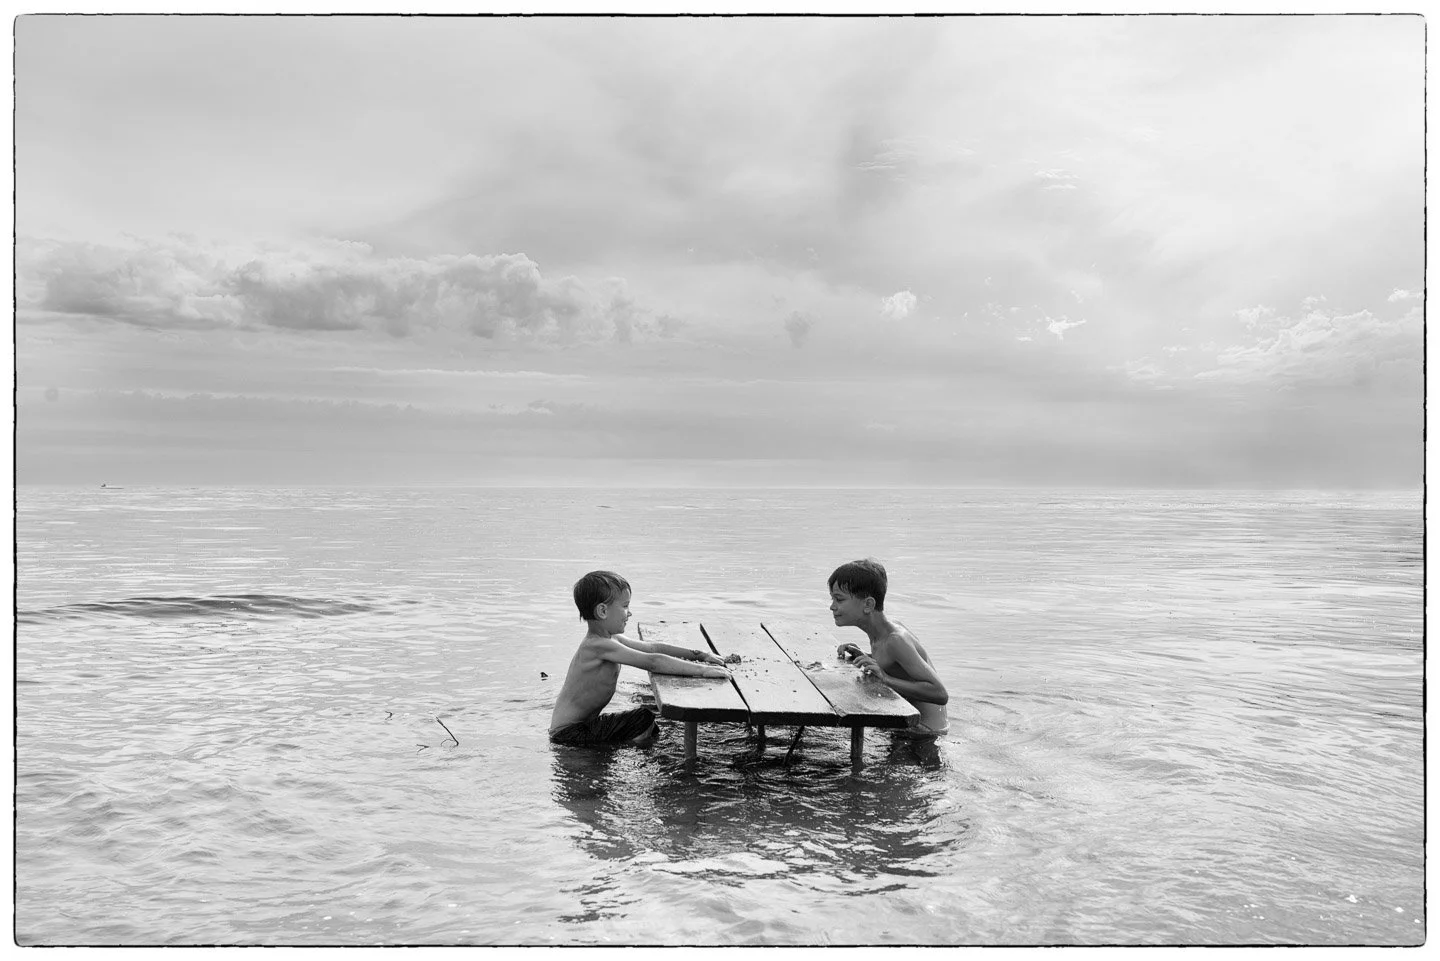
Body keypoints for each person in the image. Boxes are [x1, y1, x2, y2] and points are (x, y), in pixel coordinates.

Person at [549, 570, 732, 747]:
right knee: (642, 720)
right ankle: (635, 754)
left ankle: (635, 748)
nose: (629, 613)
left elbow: (654, 648)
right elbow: (653, 661)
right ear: (603, 611)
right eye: (625, 606)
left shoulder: (611, 639)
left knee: (650, 718)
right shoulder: (596, 646)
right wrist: (703, 671)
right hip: (568, 734)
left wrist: (700, 655)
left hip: (581, 728)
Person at [828, 558, 950, 738]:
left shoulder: (895, 640)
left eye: (839, 599)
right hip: (909, 726)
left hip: (925, 732)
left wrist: (885, 679)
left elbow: (939, 693)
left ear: (868, 605)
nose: (832, 606)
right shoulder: (881, 635)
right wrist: (865, 656)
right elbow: (897, 666)